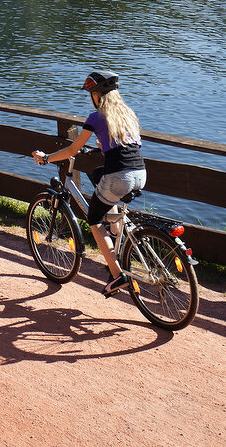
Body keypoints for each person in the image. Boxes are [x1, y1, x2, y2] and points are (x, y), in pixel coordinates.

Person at [32, 68, 146, 297]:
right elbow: (123, 146)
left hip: (119, 177)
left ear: (96, 95)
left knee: (94, 220)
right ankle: (116, 230)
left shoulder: (95, 117)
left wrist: (47, 158)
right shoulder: (127, 114)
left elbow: (73, 149)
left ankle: (117, 275)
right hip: (140, 173)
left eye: (91, 94)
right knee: (98, 175)